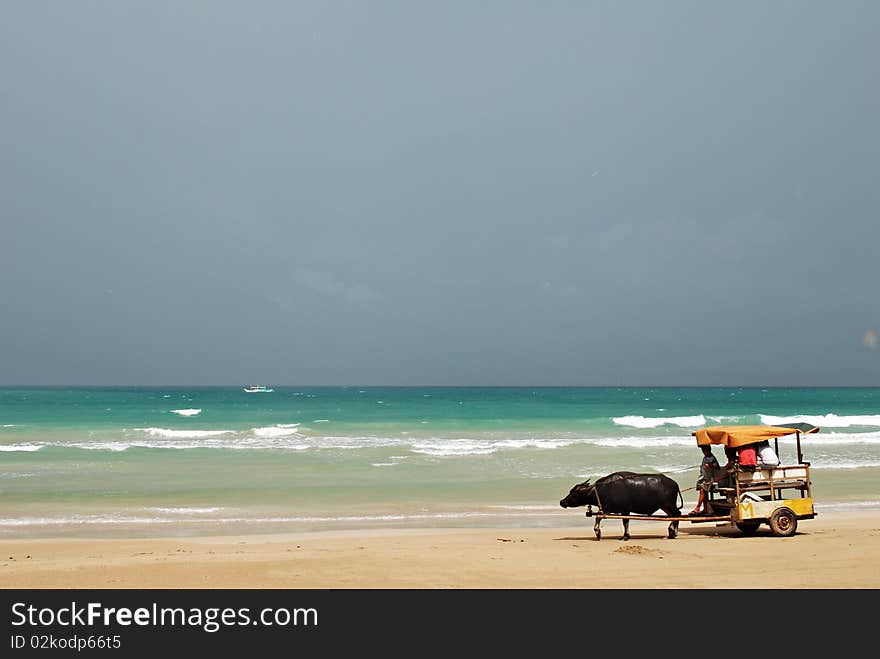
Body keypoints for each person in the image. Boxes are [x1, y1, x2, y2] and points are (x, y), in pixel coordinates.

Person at [690, 445, 725, 515]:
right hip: (703, 477)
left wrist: (710, 466)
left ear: (708, 450)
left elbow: (717, 467)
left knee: (703, 491)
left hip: (708, 479)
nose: (703, 452)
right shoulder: (705, 457)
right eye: (703, 451)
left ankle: (697, 507)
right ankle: (705, 508)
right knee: (703, 493)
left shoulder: (711, 458)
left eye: (704, 451)